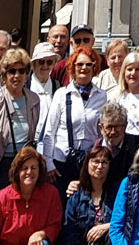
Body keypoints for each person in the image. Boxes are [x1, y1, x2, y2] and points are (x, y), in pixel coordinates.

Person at [42, 47, 108, 204]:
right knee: (60, 207)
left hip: (87, 163)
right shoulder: (61, 94)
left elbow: (101, 133)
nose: (84, 68)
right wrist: (49, 163)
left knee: (83, 206)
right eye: (79, 64)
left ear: (94, 68)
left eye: (88, 64)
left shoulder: (102, 96)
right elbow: (50, 131)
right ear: (73, 67)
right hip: (61, 163)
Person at [0, 47, 40, 203]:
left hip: (23, 161)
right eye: (12, 71)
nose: (17, 76)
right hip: (1, 162)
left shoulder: (34, 99)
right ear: (4, 75)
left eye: (21, 71)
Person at [63, 144, 114, 245]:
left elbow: (125, 220)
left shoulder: (115, 193)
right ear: (87, 164)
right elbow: (69, 230)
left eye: (104, 162)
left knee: (108, 237)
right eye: (95, 161)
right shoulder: (76, 196)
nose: (100, 166)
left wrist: (107, 226)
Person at [69, 101, 139, 209]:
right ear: (101, 128)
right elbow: (84, 180)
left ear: (125, 126)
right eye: (109, 127)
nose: (113, 132)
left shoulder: (137, 147)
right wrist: (76, 184)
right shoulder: (91, 151)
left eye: (118, 127)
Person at [28, 42, 60, 143]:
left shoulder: (57, 86)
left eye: (49, 62)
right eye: (41, 62)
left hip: (51, 140)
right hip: (30, 140)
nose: (45, 66)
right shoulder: (26, 85)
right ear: (34, 64)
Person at [112, 52, 139, 135]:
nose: (133, 73)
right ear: (124, 72)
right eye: (130, 69)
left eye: (137, 69)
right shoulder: (117, 96)